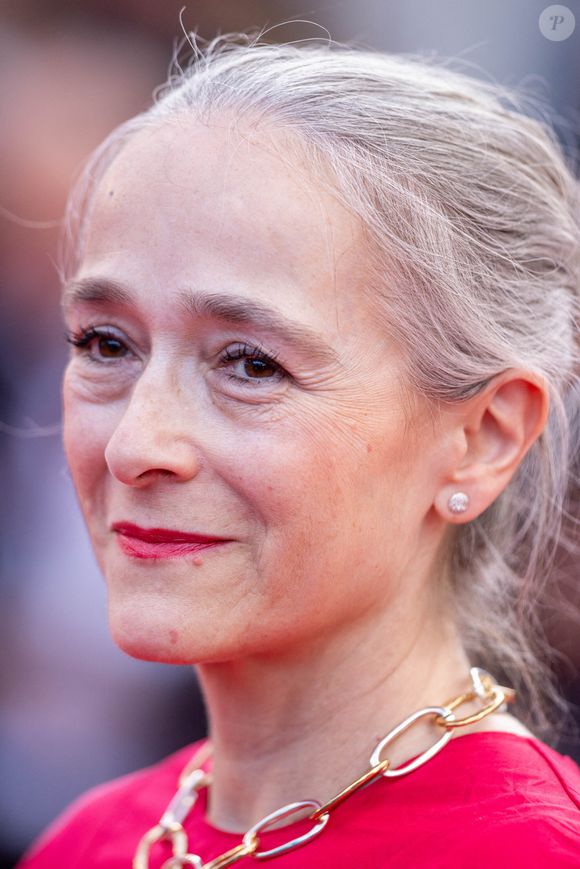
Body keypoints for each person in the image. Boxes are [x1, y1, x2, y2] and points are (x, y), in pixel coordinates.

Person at [16, 31, 580, 869]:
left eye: (250, 363)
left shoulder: (526, 851)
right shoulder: (92, 840)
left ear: (482, 438)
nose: (136, 443)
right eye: (105, 343)